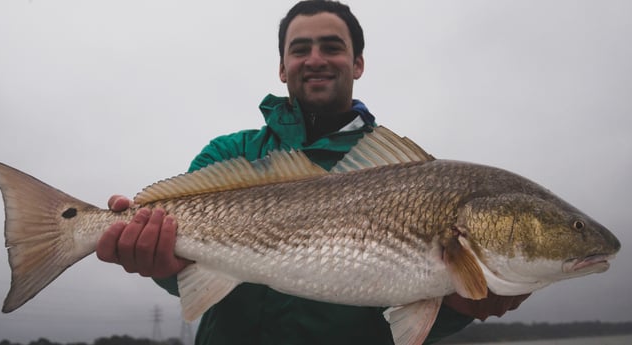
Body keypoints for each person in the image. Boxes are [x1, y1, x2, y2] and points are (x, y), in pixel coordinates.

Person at [96, 1, 530, 344]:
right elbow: (190, 277)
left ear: (358, 63)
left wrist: (461, 307)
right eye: (300, 49)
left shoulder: (408, 172)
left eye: (333, 47)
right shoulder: (230, 154)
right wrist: (162, 266)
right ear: (283, 68)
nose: (316, 59)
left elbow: (413, 316)